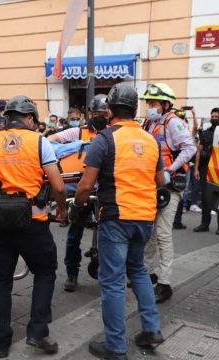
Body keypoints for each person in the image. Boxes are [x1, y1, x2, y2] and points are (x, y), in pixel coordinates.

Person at [72, 83, 165, 360]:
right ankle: (151, 330)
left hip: (117, 217)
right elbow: (160, 181)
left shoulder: (105, 139)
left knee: (111, 281)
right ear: (135, 110)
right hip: (145, 217)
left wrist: (77, 206)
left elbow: (85, 185)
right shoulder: (151, 140)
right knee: (137, 271)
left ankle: (115, 347)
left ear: (110, 110)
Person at [0, 95, 67, 359]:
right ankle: (37, 333)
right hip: (33, 223)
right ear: (29, 119)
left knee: (2, 280)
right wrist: (61, 210)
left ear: (7, 118)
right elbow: (58, 185)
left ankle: (1, 343)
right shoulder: (40, 142)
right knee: (45, 271)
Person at [143, 83, 196, 303]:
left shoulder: (173, 122)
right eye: (148, 103)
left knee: (163, 233)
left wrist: (170, 170)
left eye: (153, 103)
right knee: (150, 232)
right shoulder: (148, 122)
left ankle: (164, 283)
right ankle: (148, 272)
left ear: (166, 104)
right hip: (152, 185)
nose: (149, 107)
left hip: (170, 186)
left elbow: (190, 148)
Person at [49, 94, 109, 292]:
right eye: (95, 113)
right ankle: (72, 273)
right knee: (74, 234)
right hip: (82, 191)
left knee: (108, 236)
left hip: (105, 192)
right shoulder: (78, 133)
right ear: (89, 114)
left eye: (102, 113)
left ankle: (108, 273)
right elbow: (50, 141)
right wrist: (73, 148)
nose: (98, 116)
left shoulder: (112, 133)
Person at [193, 108, 219, 233]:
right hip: (206, 169)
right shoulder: (206, 133)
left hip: (218, 168)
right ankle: (204, 224)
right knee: (205, 197)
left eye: (216, 117)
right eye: (212, 117)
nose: (214, 119)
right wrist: (196, 169)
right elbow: (198, 151)